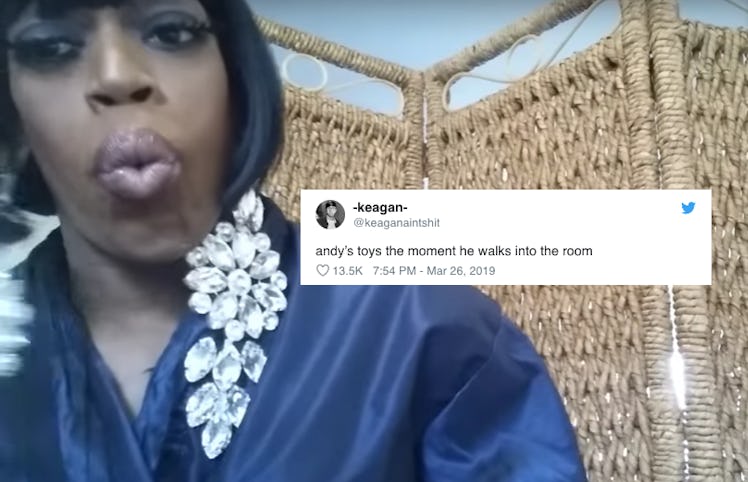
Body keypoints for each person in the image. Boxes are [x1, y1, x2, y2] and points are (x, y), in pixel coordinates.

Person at [0, 1, 586, 481]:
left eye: (171, 32)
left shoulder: (425, 328)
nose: (116, 75)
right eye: (51, 47)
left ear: (236, 78)